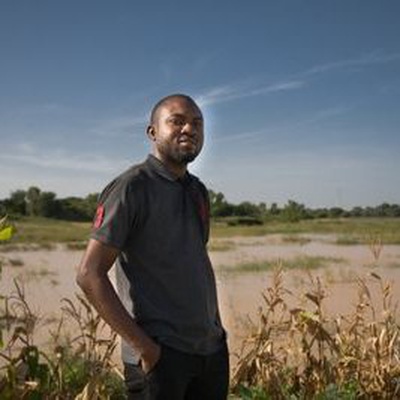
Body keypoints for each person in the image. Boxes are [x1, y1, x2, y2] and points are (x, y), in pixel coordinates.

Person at [76, 94, 229, 399]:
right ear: (152, 132)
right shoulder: (132, 187)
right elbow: (89, 274)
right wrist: (146, 349)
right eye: (177, 121)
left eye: (197, 123)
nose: (189, 129)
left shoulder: (197, 191)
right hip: (161, 358)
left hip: (210, 353)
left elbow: (197, 262)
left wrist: (217, 331)